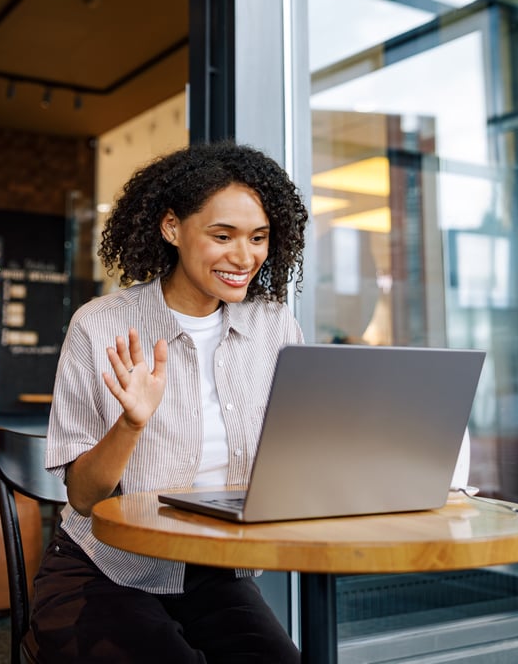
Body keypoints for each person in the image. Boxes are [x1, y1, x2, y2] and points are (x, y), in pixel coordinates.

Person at [25, 140, 308, 663]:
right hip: (106, 568)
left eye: (259, 237)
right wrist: (131, 423)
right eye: (222, 236)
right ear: (172, 228)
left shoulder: (274, 326)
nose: (244, 257)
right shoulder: (101, 324)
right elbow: (85, 497)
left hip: (211, 570)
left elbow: (298, 449)